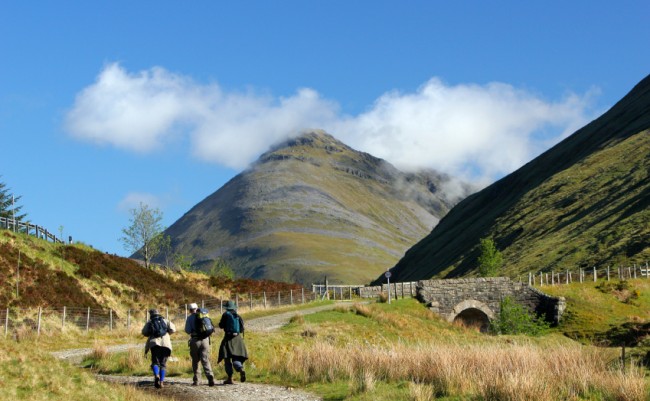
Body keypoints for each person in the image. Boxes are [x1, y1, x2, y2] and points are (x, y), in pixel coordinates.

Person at [142, 308, 176, 389]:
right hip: (166, 344)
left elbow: (144, 332)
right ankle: (161, 382)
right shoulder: (165, 320)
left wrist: (151, 333)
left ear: (151, 315)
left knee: (155, 362)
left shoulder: (150, 322)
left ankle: (156, 375)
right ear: (158, 313)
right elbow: (173, 329)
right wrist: (167, 333)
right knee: (163, 364)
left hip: (155, 344)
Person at [217, 300, 248, 384]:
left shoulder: (225, 315)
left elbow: (221, 325)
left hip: (228, 338)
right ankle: (240, 368)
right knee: (236, 358)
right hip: (238, 339)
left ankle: (230, 378)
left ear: (226, 308)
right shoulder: (237, 316)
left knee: (227, 358)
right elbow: (241, 329)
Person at [184, 302, 215, 386]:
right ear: (197, 308)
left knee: (196, 360)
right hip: (205, 340)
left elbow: (187, 330)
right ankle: (210, 376)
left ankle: (197, 380)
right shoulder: (204, 315)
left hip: (195, 340)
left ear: (190, 310)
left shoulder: (189, 318)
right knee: (205, 359)